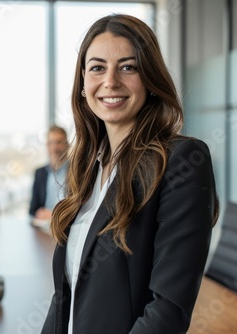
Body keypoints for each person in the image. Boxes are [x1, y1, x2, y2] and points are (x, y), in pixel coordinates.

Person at [41, 14, 219, 334]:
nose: (110, 81)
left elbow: (168, 308)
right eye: (97, 67)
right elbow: (63, 299)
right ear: (83, 84)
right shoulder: (86, 167)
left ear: (149, 79)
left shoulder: (181, 160)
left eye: (128, 67)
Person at [29, 126, 69, 222]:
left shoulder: (77, 171)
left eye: (59, 142)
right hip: (44, 225)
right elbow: (32, 210)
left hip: (66, 224)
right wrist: (40, 213)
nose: (55, 148)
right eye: (51, 143)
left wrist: (53, 215)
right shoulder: (40, 173)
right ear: (47, 146)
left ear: (67, 145)